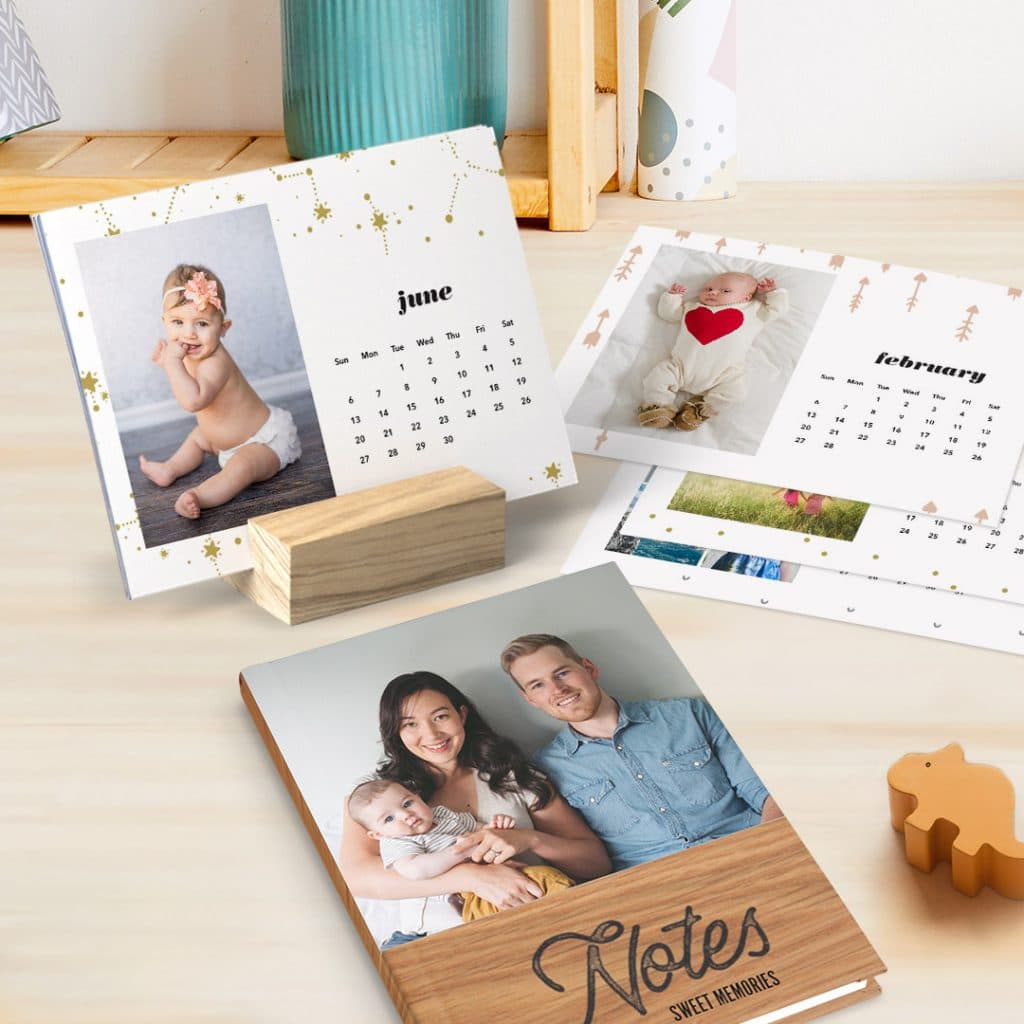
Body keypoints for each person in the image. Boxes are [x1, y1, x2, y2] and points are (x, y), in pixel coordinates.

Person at [338, 671, 611, 949]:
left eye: (440, 716)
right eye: (410, 724)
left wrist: (530, 840)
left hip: (530, 927)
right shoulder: (377, 800)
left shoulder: (515, 778)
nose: (431, 734)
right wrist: (472, 877)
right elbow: (354, 879)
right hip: (428, 941)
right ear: (397, 733)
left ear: (462, 715)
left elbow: (596, 862)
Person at [500, 634, 784, 872]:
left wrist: (771, 854)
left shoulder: (689, 714)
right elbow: (589, 861)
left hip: (751, 851)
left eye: (562, 673)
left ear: (589, 668)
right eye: (538, 685)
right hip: (662, 885)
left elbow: (766, 792)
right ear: (530, 699)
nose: (558, 689)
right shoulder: (546, 770)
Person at [138, 264, 301, 519]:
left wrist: (171, 364)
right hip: (220, 439)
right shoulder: (191, 353)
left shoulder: (216, 362)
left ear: (223, 328)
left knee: (242, 467)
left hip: (261, 441)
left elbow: (193, 401)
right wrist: (168, 364)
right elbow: (187, 381)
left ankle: (199, 496)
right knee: (197, 437)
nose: (189, 334)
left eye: (201, 324)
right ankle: (169, 469)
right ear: (164, 322)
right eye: (178, 322)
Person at [347, 778, 573, 947]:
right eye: (388, 819)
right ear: (377, 835)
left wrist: (496, 828)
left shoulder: (443, 815)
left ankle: (570, 904)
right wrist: (461, 852)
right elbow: (417, 870)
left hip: (500, 882)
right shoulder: (398, 842)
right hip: (460, 904)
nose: (405, 815)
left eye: (407, 804)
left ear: (417, 797)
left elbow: (478, 829)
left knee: (542, 876)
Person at [638, 272, 789, 431]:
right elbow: (668, 314)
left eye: (725, 291)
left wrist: (773, 294)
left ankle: (699, 411)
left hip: (724, 374)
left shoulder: (754, 310)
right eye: (708, 288)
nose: (712, 292)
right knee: (657, 378)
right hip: (680, 367)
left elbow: (778, 310)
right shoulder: (692, 307)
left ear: (746, 297)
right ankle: (658, 406)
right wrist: (672, 297)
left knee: (735, 394)